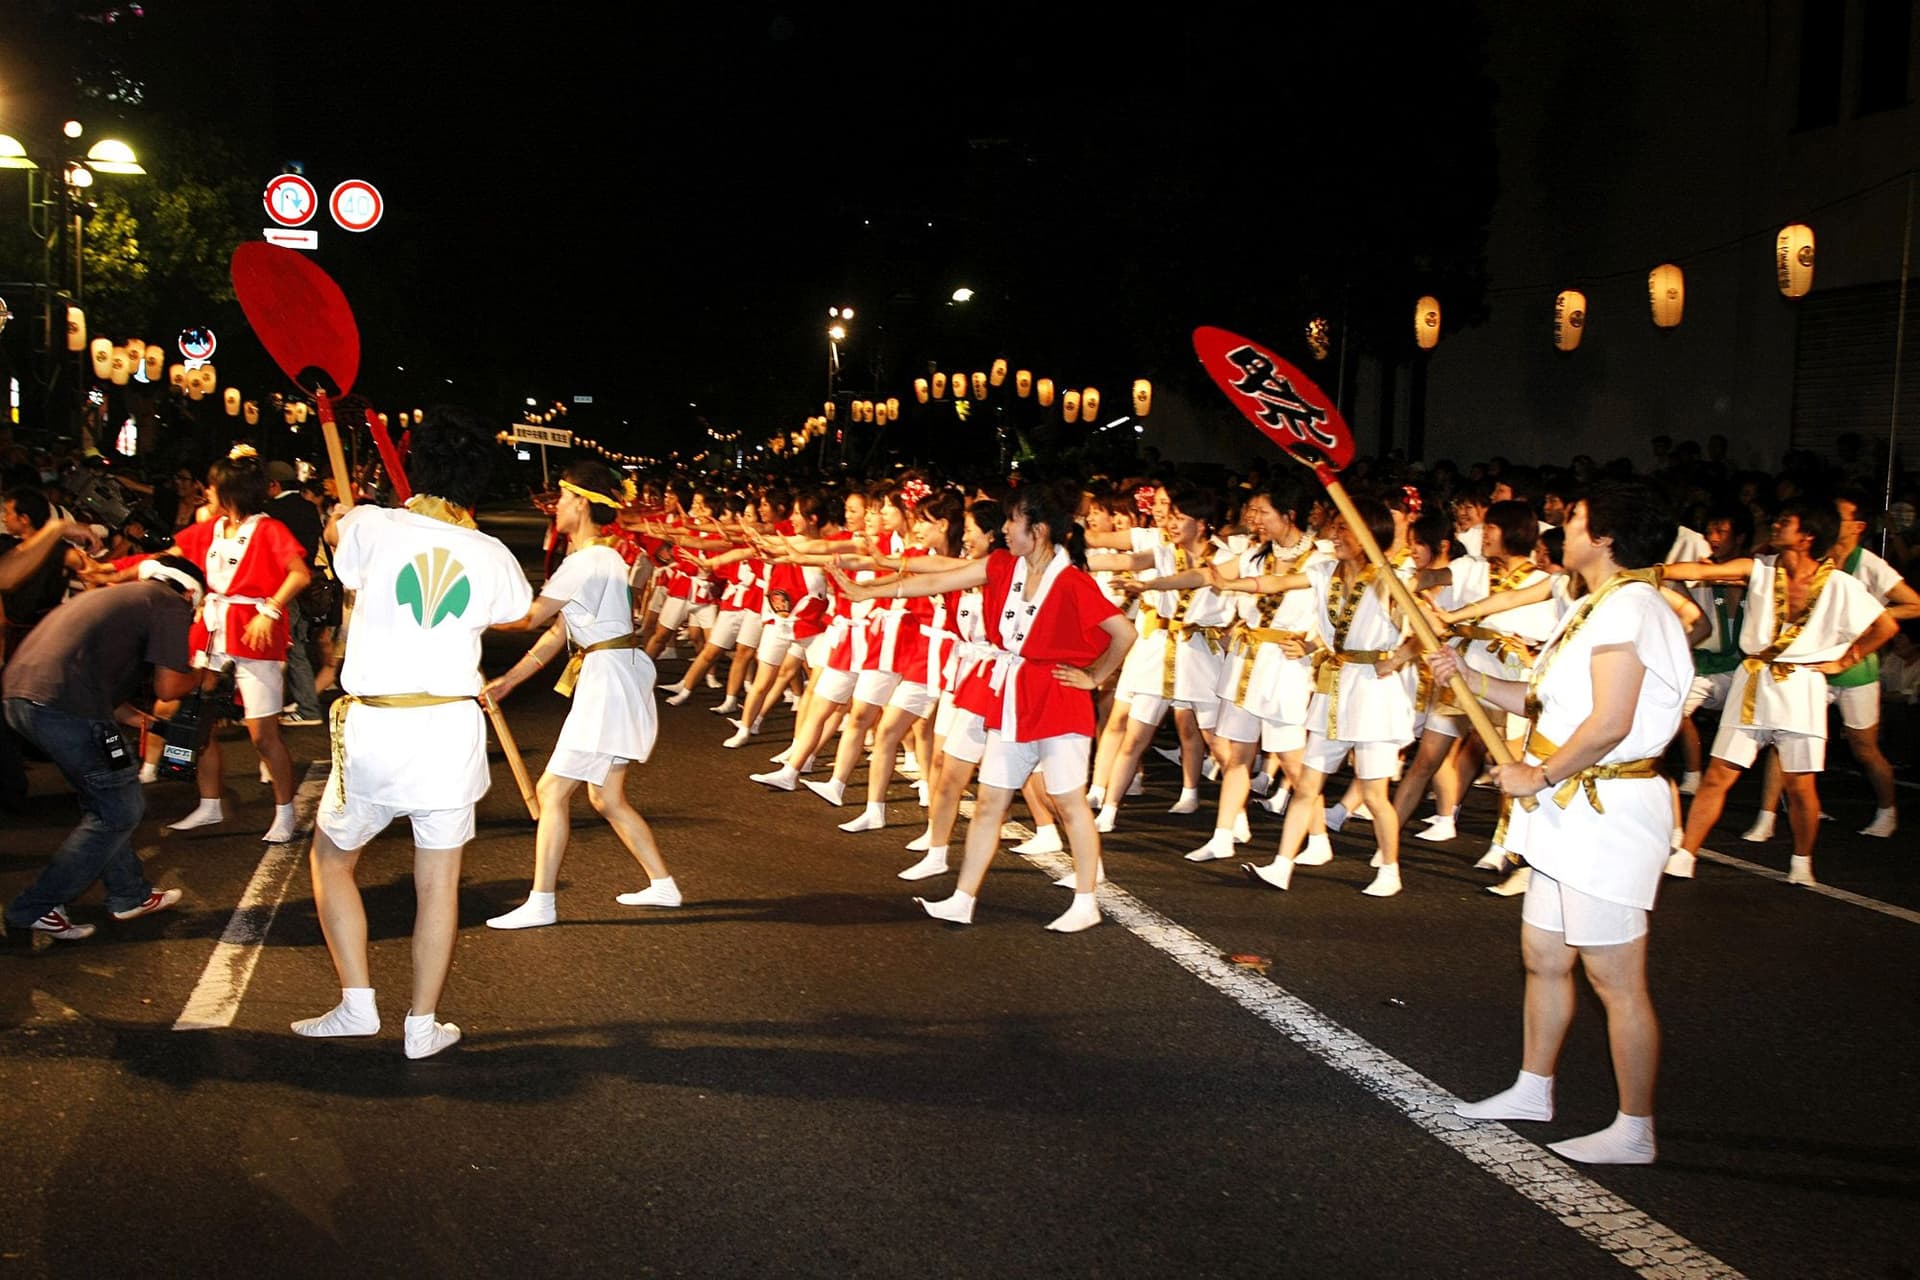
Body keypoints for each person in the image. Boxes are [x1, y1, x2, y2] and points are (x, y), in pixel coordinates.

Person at [1433, 479, 1691, 1166]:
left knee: (1616, 978)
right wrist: (1467, 676)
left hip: (1604, 812)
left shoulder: (1630, 609)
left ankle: (1634, 1128)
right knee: (1544, 956)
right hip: (1564, 807)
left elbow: (1610, 723)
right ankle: (1531, 1088)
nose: (1562, 529)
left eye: (1573, 519)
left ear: (1605, 537)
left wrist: (1537, 774)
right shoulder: (1593, 606)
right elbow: (1543, 702)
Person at [292, 408, 534, 1060]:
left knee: (332, 860)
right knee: (438, 883)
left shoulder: (371, 523)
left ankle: (358, 1004)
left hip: (378, 723)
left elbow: (340, 553)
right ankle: (421, 1026)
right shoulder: (492, 553)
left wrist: (342, 520)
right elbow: (512, 612)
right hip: (448, 727)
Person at [833, 481, 1135, 932]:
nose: (1006, 529)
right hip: (1011, 693)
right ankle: (962, 897)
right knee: (991, 798)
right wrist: (871, 591)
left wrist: (1094, 677)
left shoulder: (1072, 581)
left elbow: (1124, 634)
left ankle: (1086, 900)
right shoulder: (1001, 565)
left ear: (1040, 529)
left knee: (1069, 802)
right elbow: (937, 578)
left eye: (1014, 520)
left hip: (1057, 697)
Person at [482, 460, 676, 928]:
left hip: (609, 680)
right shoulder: (603, 558)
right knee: (606, 798)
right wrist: (509, 680)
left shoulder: (587, 560)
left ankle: (542, 903)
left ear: (583, 503)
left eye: (564, 498)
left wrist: (470, 614)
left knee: (551, 790)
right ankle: (663, 884)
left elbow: (529, 617)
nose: (558, 507)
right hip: (615, 672)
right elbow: (555, 633)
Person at [1664, 499, 1897, 886]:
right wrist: (1651, 572)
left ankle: (1802, 861)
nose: (1774, 526)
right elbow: (1712, 570)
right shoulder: (1761, 569)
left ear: (1807, 536)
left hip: (1800, 686)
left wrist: (1845, 660)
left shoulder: (1840, 584)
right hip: (1754, 679)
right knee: (1719, 774)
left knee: (1800, 786)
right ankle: (1686, 853)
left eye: (1785, 522)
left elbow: (1885, 625)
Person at [3, 557, 203, 941]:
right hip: (63, 706)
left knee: (107, 804)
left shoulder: (121, 598)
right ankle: (36, 906)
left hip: (23, 698)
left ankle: (129, 893)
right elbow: (169, 687)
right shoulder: (169, 603)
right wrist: (206, 674)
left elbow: (90, 675)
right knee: (120, 808)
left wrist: (138, 720)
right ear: (190, 593)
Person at [160, 455, 311, 843]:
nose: (204, 491)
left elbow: (299, 573)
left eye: (211, 485)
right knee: (200, 719)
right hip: (212, 627)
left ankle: (285, 812)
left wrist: (270, 610)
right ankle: (209, 803)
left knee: (262, 734)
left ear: (229, 491)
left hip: (252, 632)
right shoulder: (211, 528)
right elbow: (168, 560)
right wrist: (115, 572)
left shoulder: (269, 529)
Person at [267, 459, 327, 726]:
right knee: (297, 645)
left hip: (280, 586)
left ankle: (303, 707)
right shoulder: (309, 508)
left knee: (287, 649)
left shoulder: (270, 512)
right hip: (305, 586)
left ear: (273, 485)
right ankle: (304, 705)